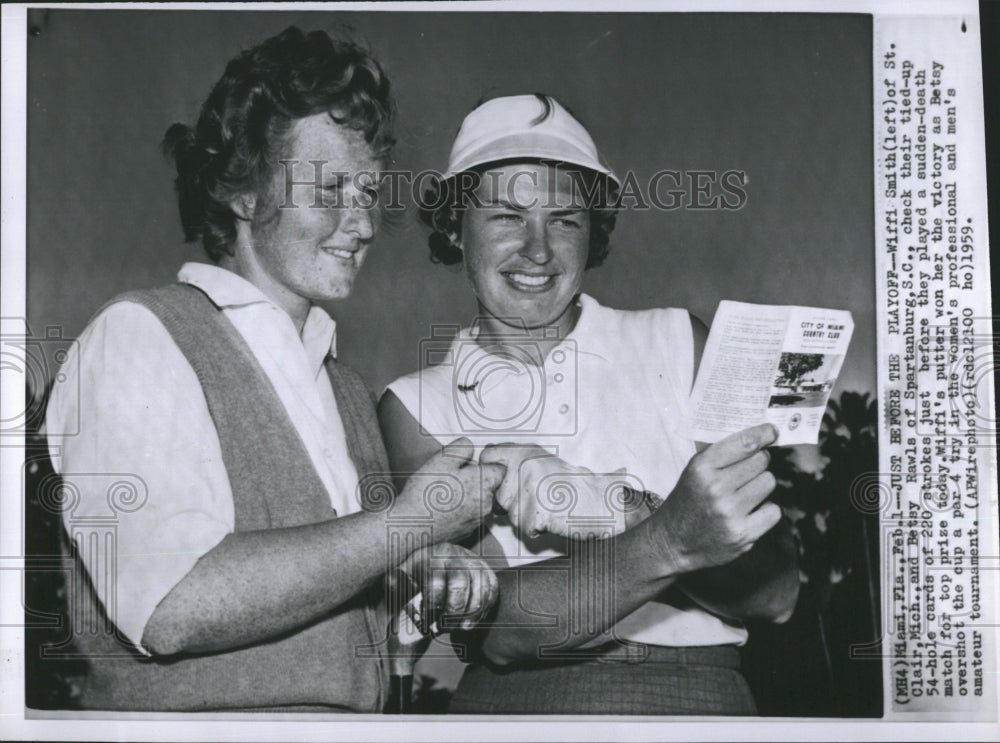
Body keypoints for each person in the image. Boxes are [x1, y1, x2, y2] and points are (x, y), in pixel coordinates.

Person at [43, 27, 504, 712]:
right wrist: (405, 527)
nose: (365, 221)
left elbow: (332, 577)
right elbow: (172, 603)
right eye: (331, 188)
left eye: (370, 190)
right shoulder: (138, 338)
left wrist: (424, 575)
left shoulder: (345, 390)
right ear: (243, 193)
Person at [379, 94, 800, 714]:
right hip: (517, 708)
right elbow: (503, 629)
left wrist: (621, 509)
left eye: (566, 219)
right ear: (453, 227)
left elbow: (776, 592)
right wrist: (673, 537)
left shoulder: (682, 341)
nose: (539, 250)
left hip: (699, 698)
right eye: (505, 217)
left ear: (593, 231)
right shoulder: (413, 405)